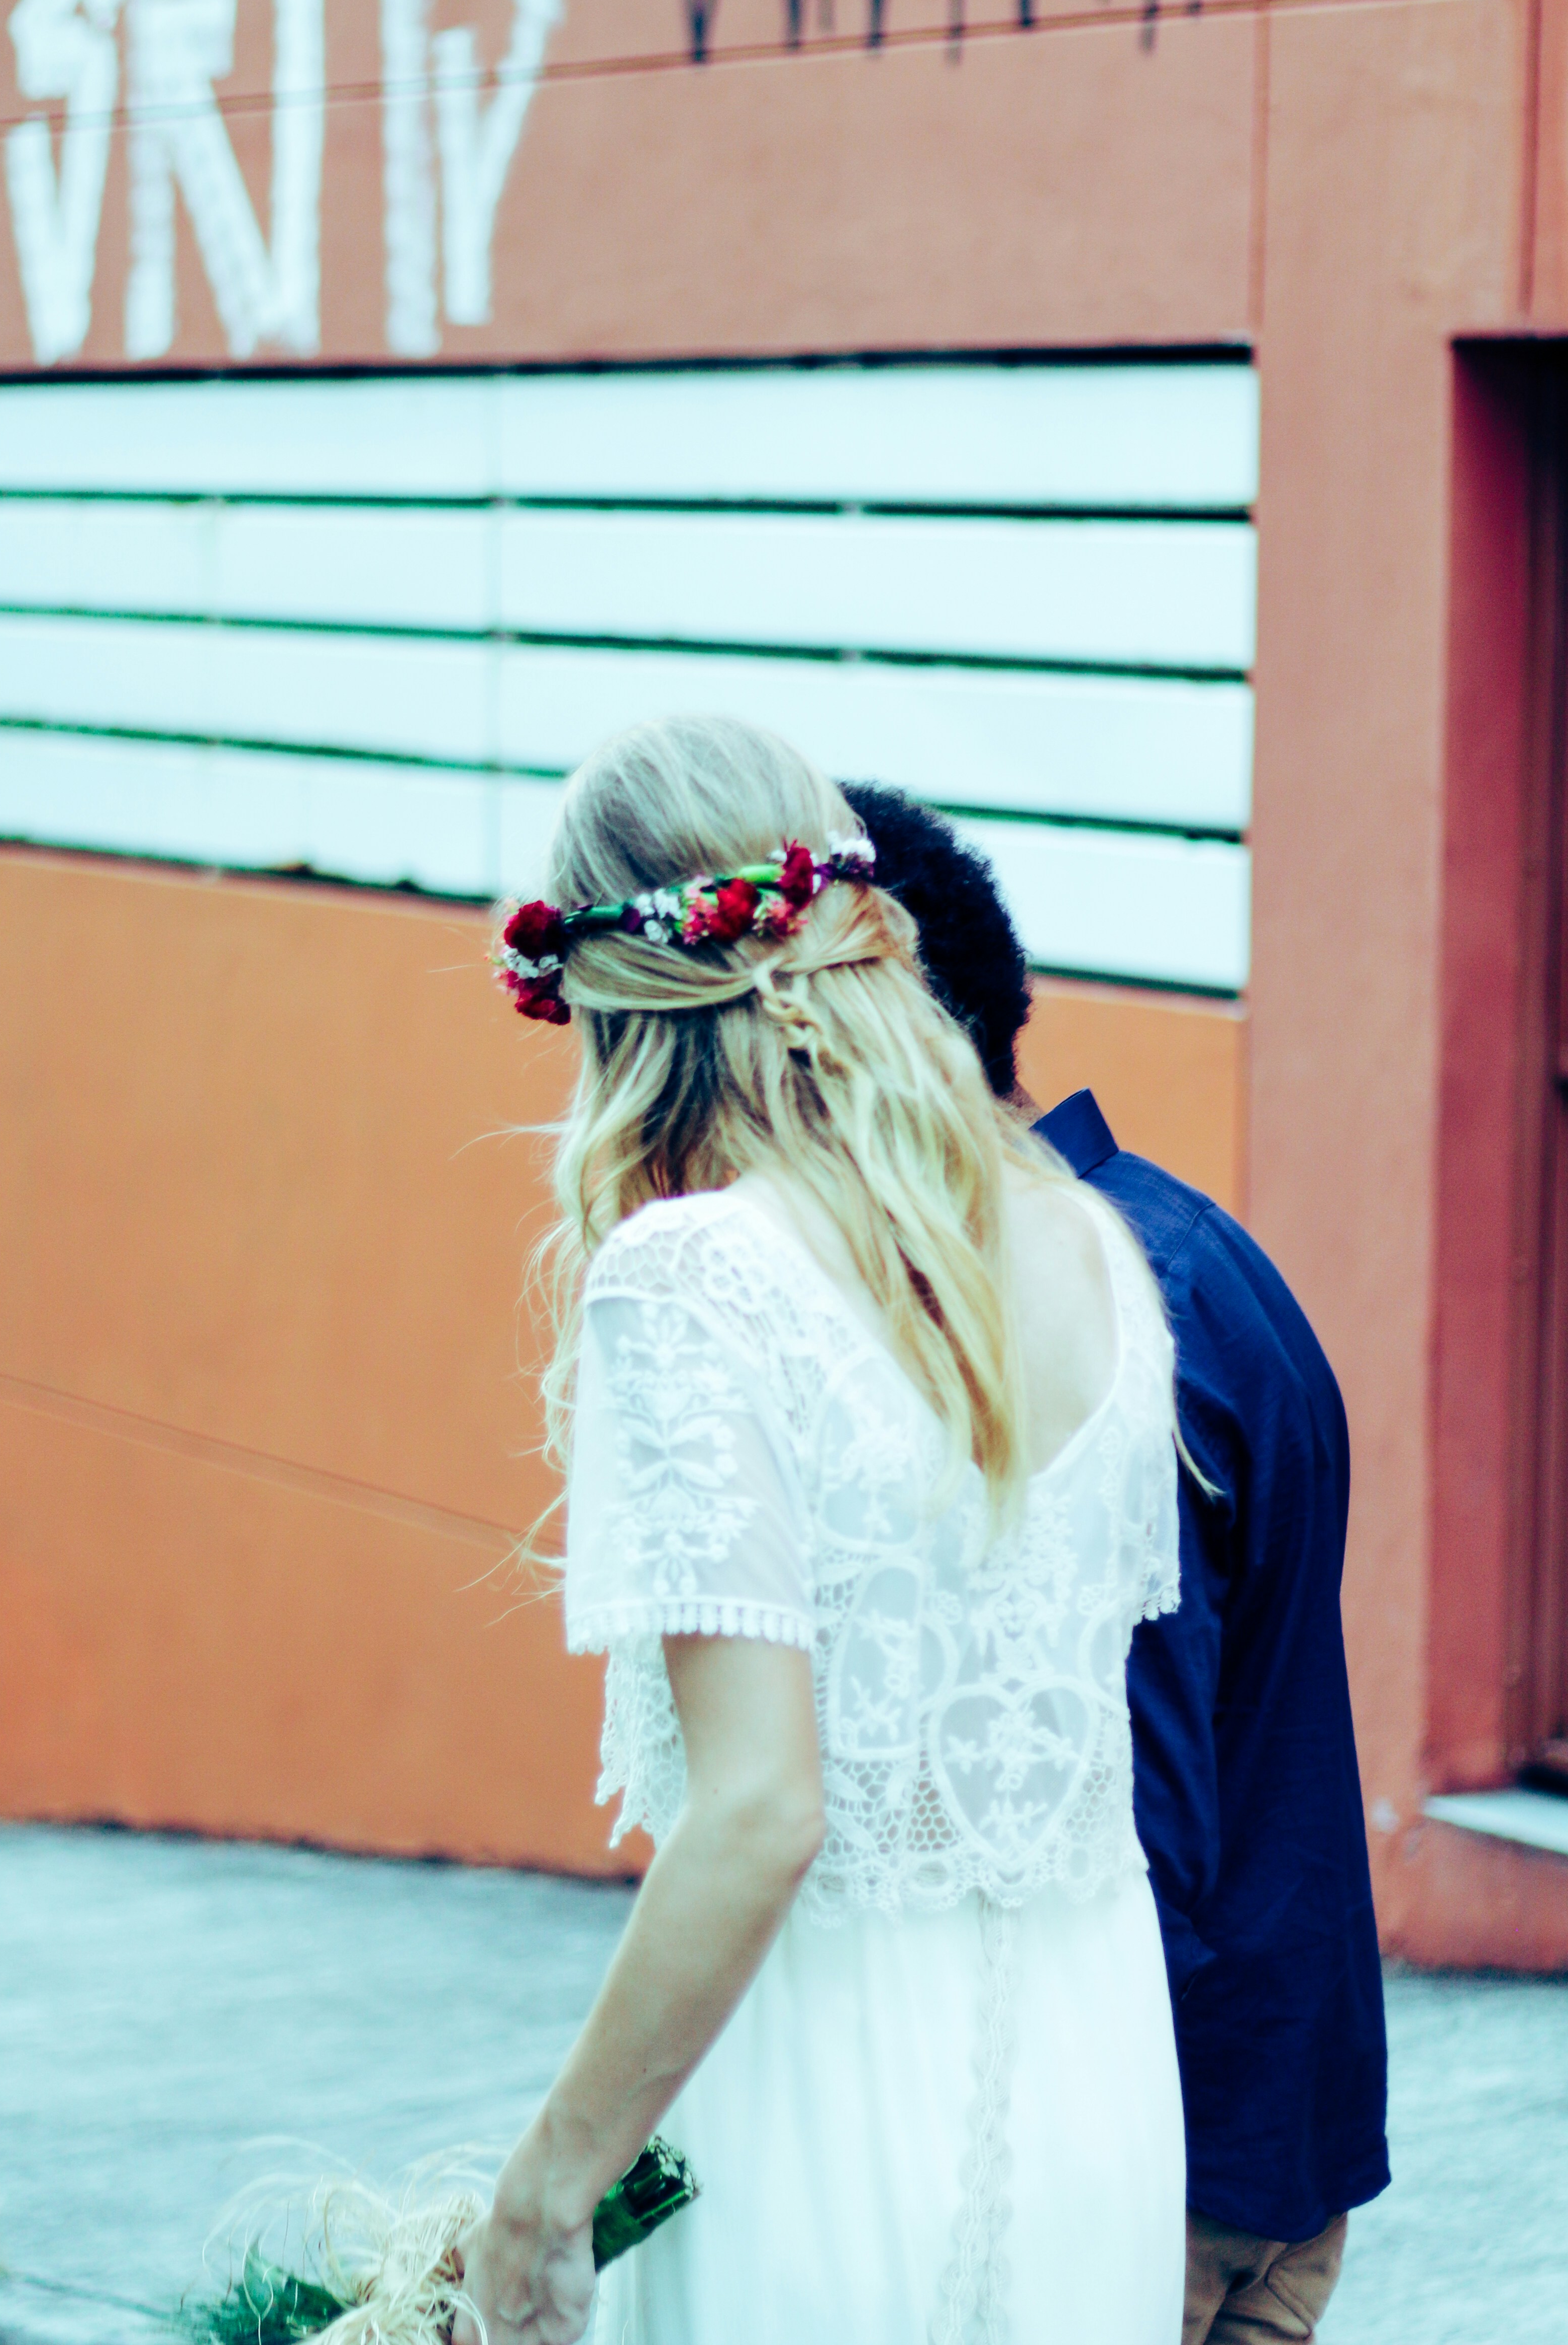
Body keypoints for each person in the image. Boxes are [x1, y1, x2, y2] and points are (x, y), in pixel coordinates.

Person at [459, 715, 1189, 2344]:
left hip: (819, 2099)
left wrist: (542, 2198)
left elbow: (765, 1809)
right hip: (1101, 2105)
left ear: (616, 1016)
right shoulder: (1094, 1259)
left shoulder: (693, 1280)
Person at [839, 782, 1390, 2345]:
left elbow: (1125, 1814)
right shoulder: (1192, 1248)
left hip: (1154, 2160)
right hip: (1284, 2119)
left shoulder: (1076, 1326)